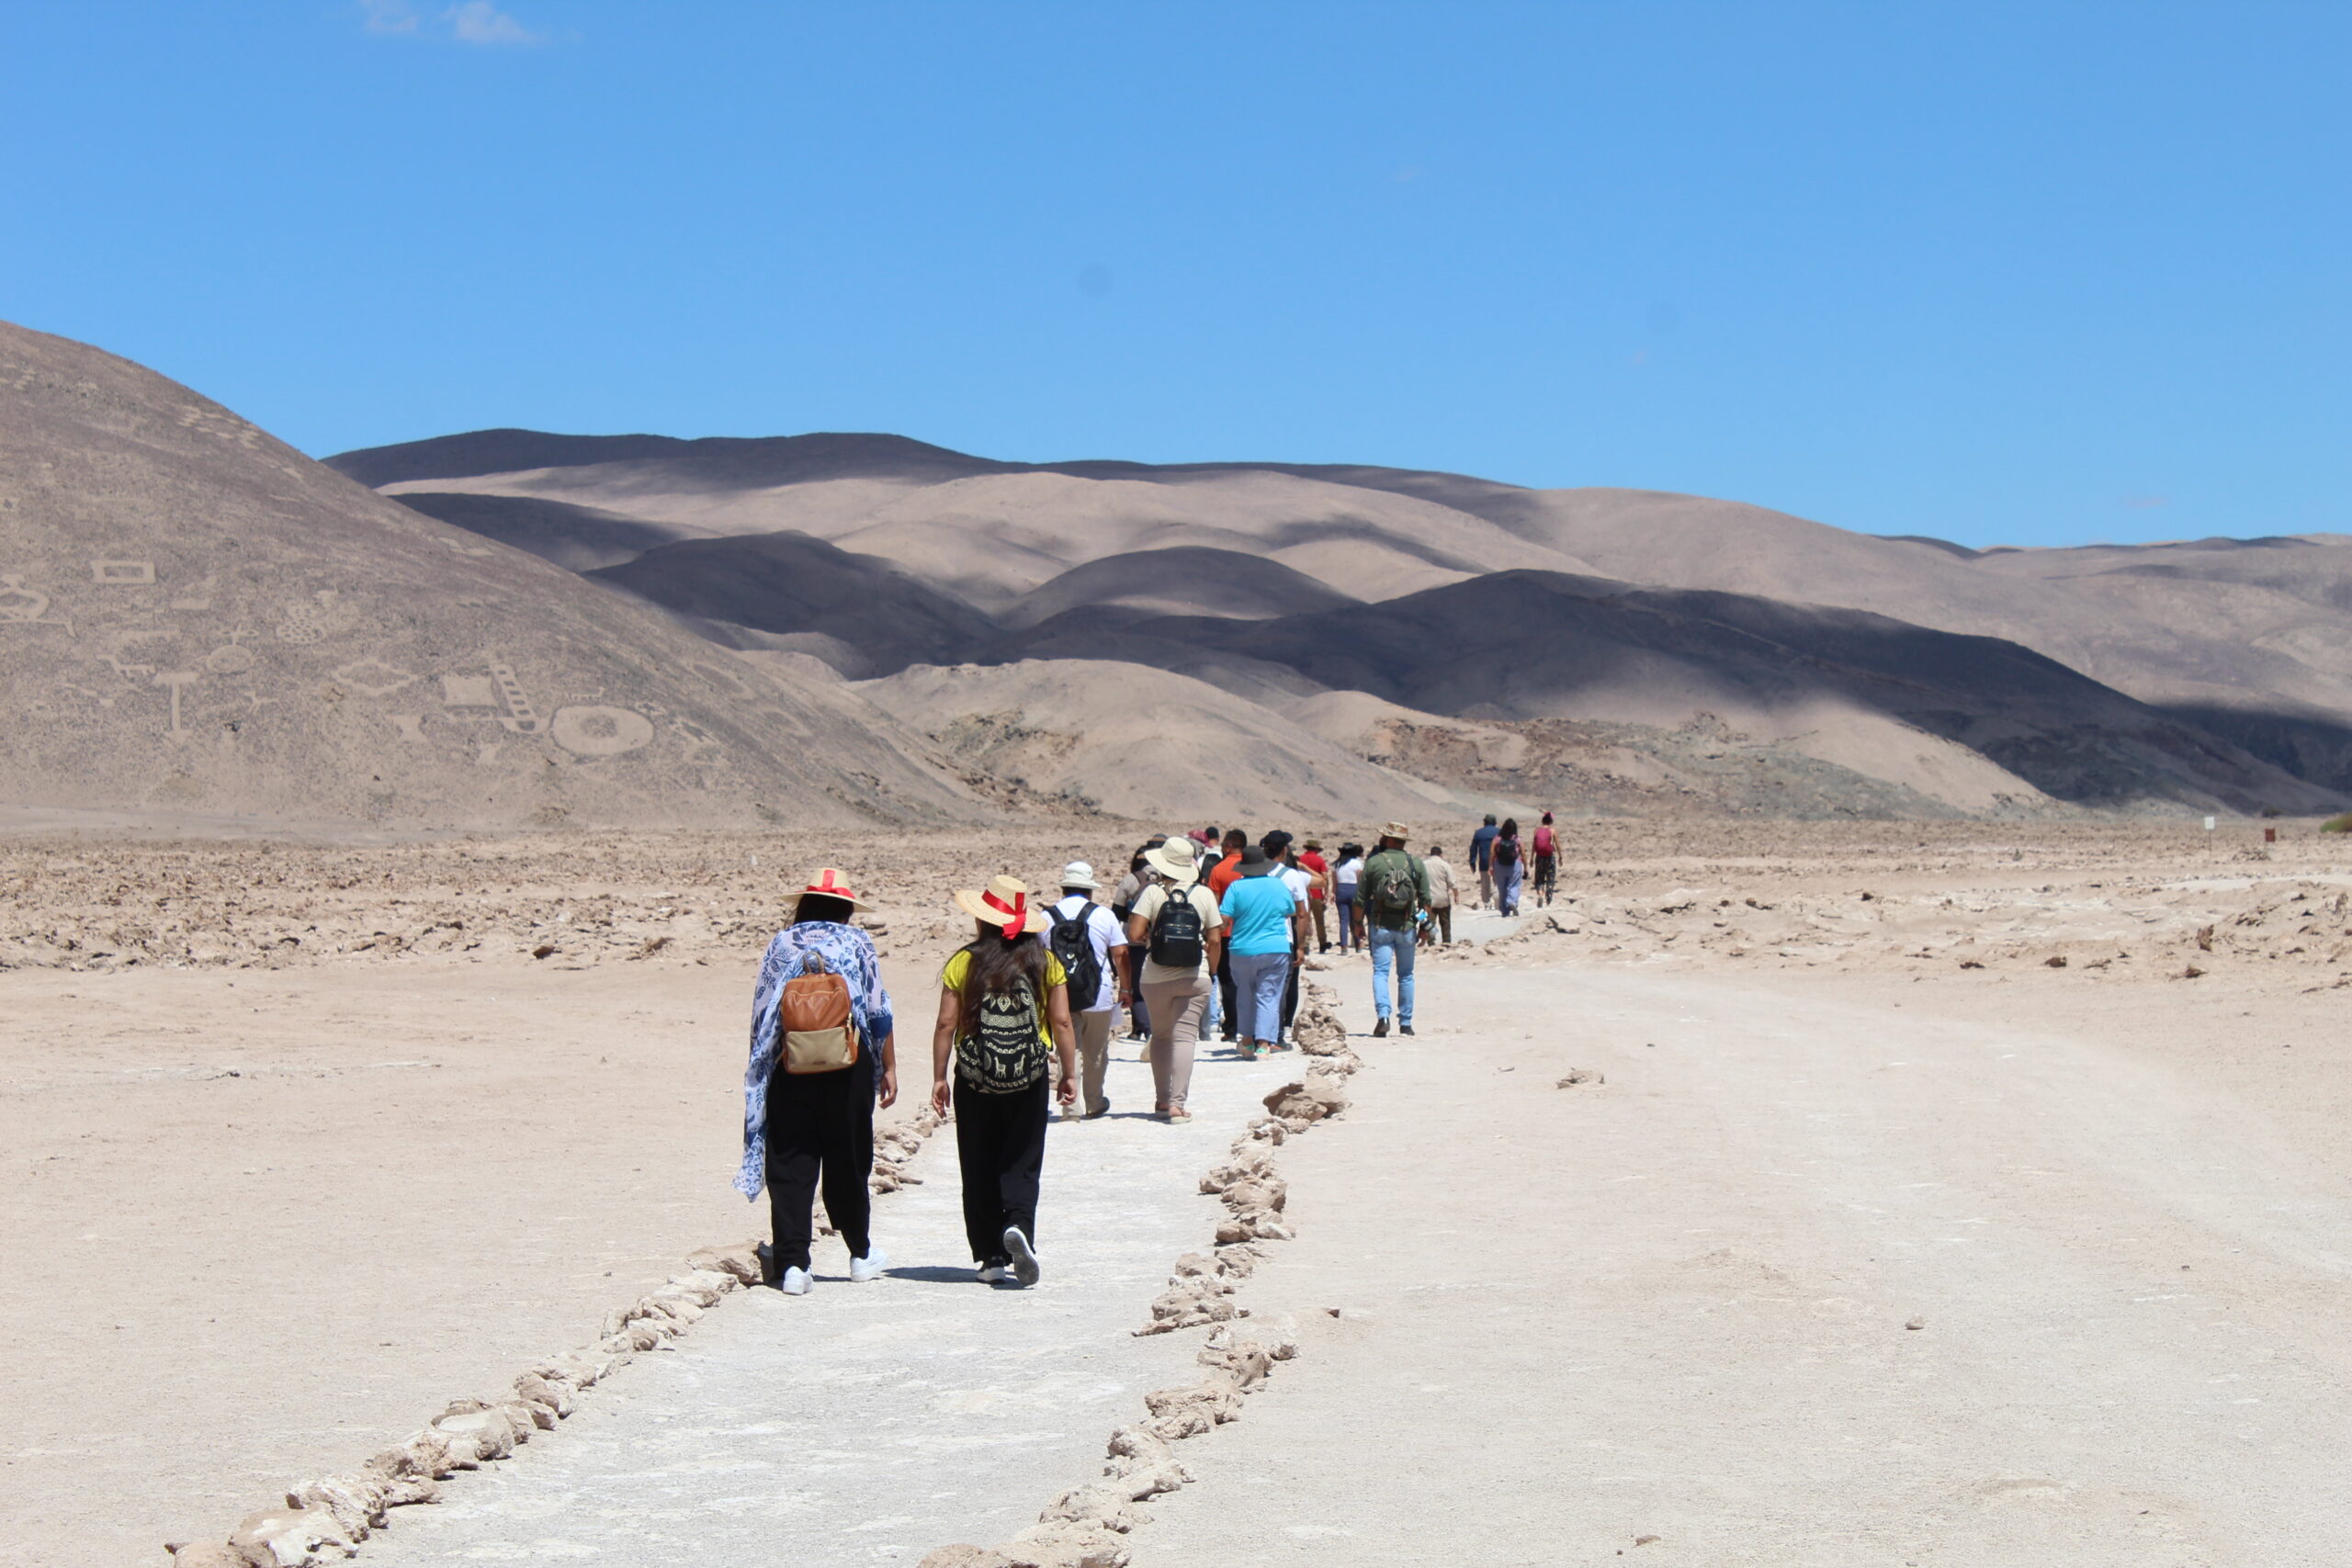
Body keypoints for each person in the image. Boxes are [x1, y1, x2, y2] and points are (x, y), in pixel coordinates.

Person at [736, 868, 897, 1296]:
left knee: (791, 1160)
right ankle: (859, 1254)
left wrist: (762, 1069)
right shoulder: (857, 941)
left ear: (804, 904)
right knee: (849, 1156)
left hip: (791, 1062)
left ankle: (793, 1265)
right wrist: (887, 1068)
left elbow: (762, 1011)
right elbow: (879, 1010)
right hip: (850, 1061)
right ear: (845, 909)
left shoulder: (781, 943)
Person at [931, 876, 1077, 1286]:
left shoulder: (964, 961)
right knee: (1022, 1160)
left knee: (977, 1162)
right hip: (1028, 1079)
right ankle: (1018, 1228)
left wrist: (939, 1077)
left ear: (984, 919)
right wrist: (1068, 1073)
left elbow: (946, 1024)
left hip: (974, 1078)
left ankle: (990, 1256)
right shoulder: (1045, 962)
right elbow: (1062, 1021)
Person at [1127, 840, 1226, 1122]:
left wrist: (1153, 939)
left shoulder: (1152, 893)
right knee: (1185, 1038)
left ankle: (1161, 1099)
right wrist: (1213, 971)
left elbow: (1134, 934)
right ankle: (1177, 1105)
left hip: (1155, 975)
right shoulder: (1204, 894)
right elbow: (1215, 939)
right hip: (1194, 975)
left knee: (1161, 1036)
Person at [1047, 861, 1129, 1121]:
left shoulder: (1046, 917)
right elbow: (1120, 953)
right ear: (1089, 890)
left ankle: (1069, 1107)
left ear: (1064, 888)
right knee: (1096, 1051)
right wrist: (1126, 987)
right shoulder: (1104, 915)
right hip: (1099, 993)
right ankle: (1094, 1101)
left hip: (1060, 995)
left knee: (1068, 1050)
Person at [1218, 844, 1297, 1059]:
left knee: (1244, 994)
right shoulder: (1279, 885)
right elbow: (1291, 910)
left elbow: (1224, 918)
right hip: (1275, 948)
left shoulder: (1236, 888)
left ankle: (1246, 1041)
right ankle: (1263, 1044)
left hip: (1242, 949)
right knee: (1268, 996)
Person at [1359, 824, 1430, 1037]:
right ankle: (1406, 1024)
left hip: (1380, 926)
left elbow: (1359, 899)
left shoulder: (1373, 863)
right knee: (1406, 975)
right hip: (1407, 927)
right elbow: (1426, 900)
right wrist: (1424, 926)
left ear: (1388, 839)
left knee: (1381, 972)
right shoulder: (1415, 863)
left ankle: (1383, 1016)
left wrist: (1356, 926)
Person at [1262, 830, 1312, 1047]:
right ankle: (1275, 1037)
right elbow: (1302, 914)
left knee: (1256, 989)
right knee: (1278, 989)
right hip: (1281, 939)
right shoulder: (1292, 876)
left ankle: (1255, 1036)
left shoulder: (1252, 874)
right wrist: (1300, 947)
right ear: (1284, 851)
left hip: (1251, 938)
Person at [1205, 829, 1249, 1039]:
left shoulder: (1218, 870)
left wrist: (1209, 935)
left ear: (1228, 846)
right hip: (1251, 932)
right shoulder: (1254, 868)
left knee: (1228, 981)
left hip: (1226, 933)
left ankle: (1232, 1027)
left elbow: (1213, 905)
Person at [1299, 839, 1333, 953]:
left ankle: (1306, 944)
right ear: (1316, 849)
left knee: (1305, 919)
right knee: (1319, 921)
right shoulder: (1319, 860)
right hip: (1317, 894)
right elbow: (1325, 876)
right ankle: (1322, 943)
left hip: (1303, 895)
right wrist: (1326, 892)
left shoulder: (1300, 859)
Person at [1331, 841, 1364, 953]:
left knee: (1343, 920)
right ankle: (1358, 945)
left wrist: (1333, 893)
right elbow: (1360, 879)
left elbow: (1334, 882)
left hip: (1341, 890)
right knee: (1355, 919)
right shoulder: (1356, 863)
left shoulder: (1337, 864)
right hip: (1354, 889)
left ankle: (1344, 946)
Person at [1423, 844, 1457, 946]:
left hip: (1429, 899)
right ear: (1441, 854)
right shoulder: (1445, 865)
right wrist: (1456, 895)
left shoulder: (1424, 864)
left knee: (1430, 922)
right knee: (1445, 922)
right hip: (1443, 898)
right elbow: (1452, 882)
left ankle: (1431, 942)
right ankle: (1446, 941)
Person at [1493, 817, 1525, 916]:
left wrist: (1491, 866)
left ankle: (1504, 910)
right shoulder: (1517, 839)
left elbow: (1491, 853)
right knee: (1514, 885)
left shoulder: (1497, 839)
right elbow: (1523, 853)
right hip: (1515, 864)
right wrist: (1526, 866)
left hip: (1500, 864)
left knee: (1502, 887)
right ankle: (1512, 902)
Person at [1469, 814, 1499, 909]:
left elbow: (1473, 849)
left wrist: (1472, 862)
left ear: (1485, 822)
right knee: (1498, 882)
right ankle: (1497, 900)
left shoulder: (1479, 833)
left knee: (1485, 882)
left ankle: (1487, 903)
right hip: (1497, 861)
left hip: (1484, 861)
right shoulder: (1500, 832)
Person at [1532, 811, 1558, 907]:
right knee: (1550, 877)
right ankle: (1548, 898)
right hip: (1550, 857)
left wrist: (1531, 858)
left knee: (1539, 877)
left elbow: (1534, 845)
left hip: (1539, 857)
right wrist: (1560, 857)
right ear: (1551, 821)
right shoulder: (1553, 831)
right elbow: (1558, 845)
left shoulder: (1536, 831)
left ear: (1542, 821)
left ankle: (1540, 894)